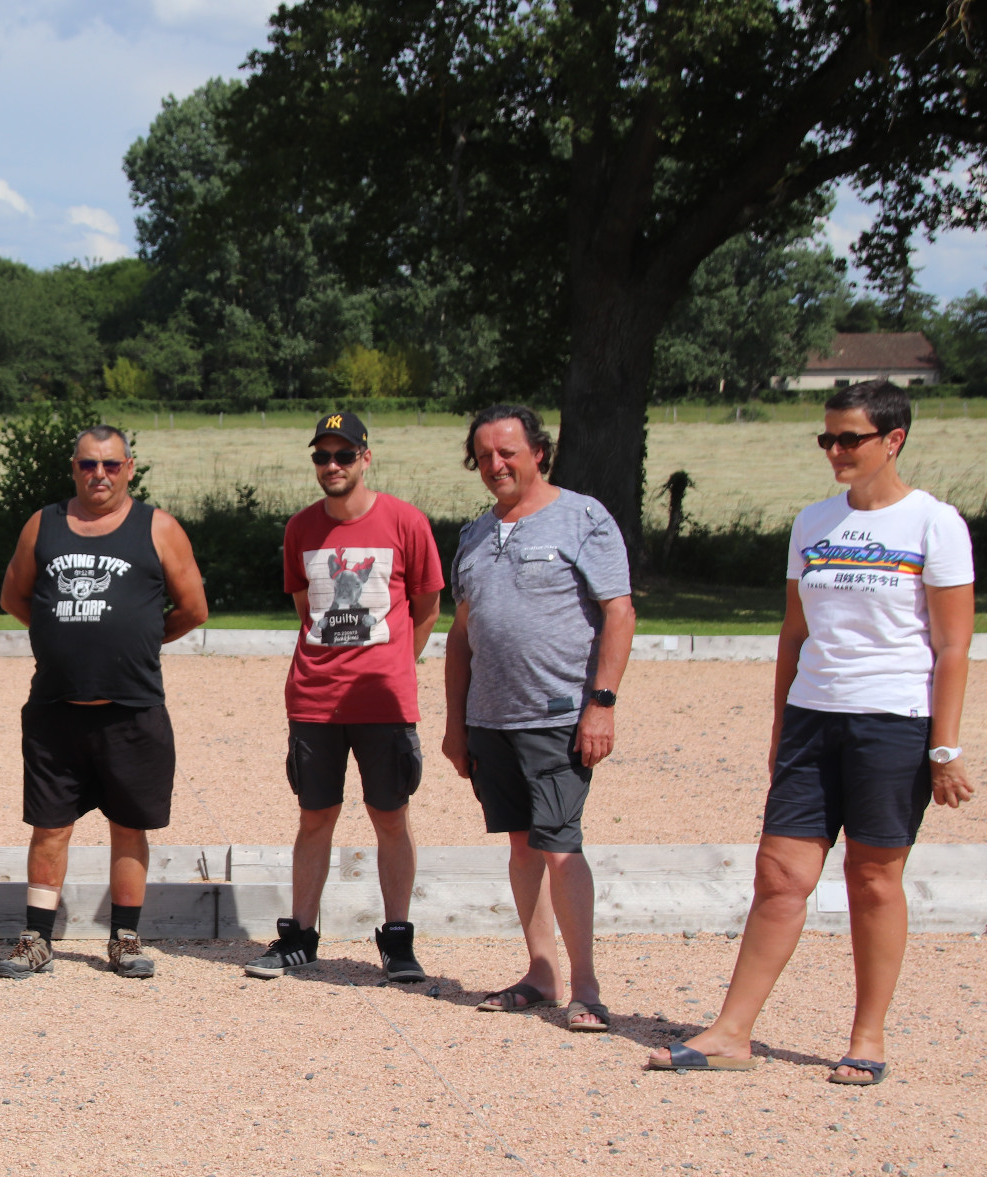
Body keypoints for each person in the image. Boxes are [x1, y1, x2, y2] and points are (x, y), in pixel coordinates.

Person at [651, 380, 974, 1081]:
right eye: (827, 438)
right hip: (811, 718)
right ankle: (732, 1033)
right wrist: (780, 727)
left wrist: (945, 747)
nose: (835, 450)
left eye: (849, 438)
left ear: (894, 439)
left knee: (873, 878)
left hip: (893, 721)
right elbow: (794, 634)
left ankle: (868, 1037)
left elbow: (954, 645)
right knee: (779, 875)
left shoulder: (934, 523)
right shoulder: (813, 523)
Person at [441, 404, 633, 1033]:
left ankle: (588, 989)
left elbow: (619, 611)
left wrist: (601, 704)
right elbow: (461, 635)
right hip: (491, 721)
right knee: (522, 846)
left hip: (557, 715)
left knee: (559, 846)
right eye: (484, 456)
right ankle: (542, 972)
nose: (495, 465)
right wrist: (456, 723)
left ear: (538, 453)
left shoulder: (583, 518)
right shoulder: (474, 534)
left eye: (507, 452)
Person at [0, 424, 209, 980]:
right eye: (88, 464)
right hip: (56, 708)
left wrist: (142, 638)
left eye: (111, 464)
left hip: (131, 708)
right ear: (74, 468)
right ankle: (36, 938)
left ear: (129, 469)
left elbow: (193, 608)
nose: (99, 474)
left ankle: (125, 938)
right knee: (49, 826)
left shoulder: (158, 528)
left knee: (129, 825)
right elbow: (15, 595)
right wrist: (59, 633)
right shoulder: (43, 524)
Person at [245, 411, 443, 984]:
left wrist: (396, 665)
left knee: (390, 817)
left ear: (365, 458)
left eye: (344, 455)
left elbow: (428, 607)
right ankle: (299, 938)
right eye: (322, 456)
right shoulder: (301, 529)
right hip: (315, 699)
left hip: (383, 701)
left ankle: (397, 940)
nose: (332, 465)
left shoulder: (406, 521)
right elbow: (306, 608)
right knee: (315, 817)